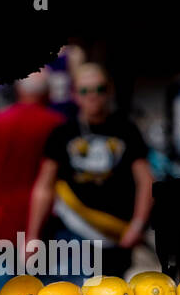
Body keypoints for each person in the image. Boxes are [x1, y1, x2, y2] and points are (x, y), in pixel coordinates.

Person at [27, 62, 154, 280]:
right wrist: (32, 236)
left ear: (110, 90)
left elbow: (146, 181)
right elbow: (44, 186)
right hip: (73, 230)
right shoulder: (63, 132)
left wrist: (138, 224)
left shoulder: (127, 129)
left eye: (100, 89)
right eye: (85, 91)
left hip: (115, 233)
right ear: (75, 95)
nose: (93, 96)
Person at [0, 71, 63, 293]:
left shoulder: (0, 121)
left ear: (19, 90)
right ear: (48, 93)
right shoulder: (57, 124)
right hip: (46, 223)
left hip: (4, 220)